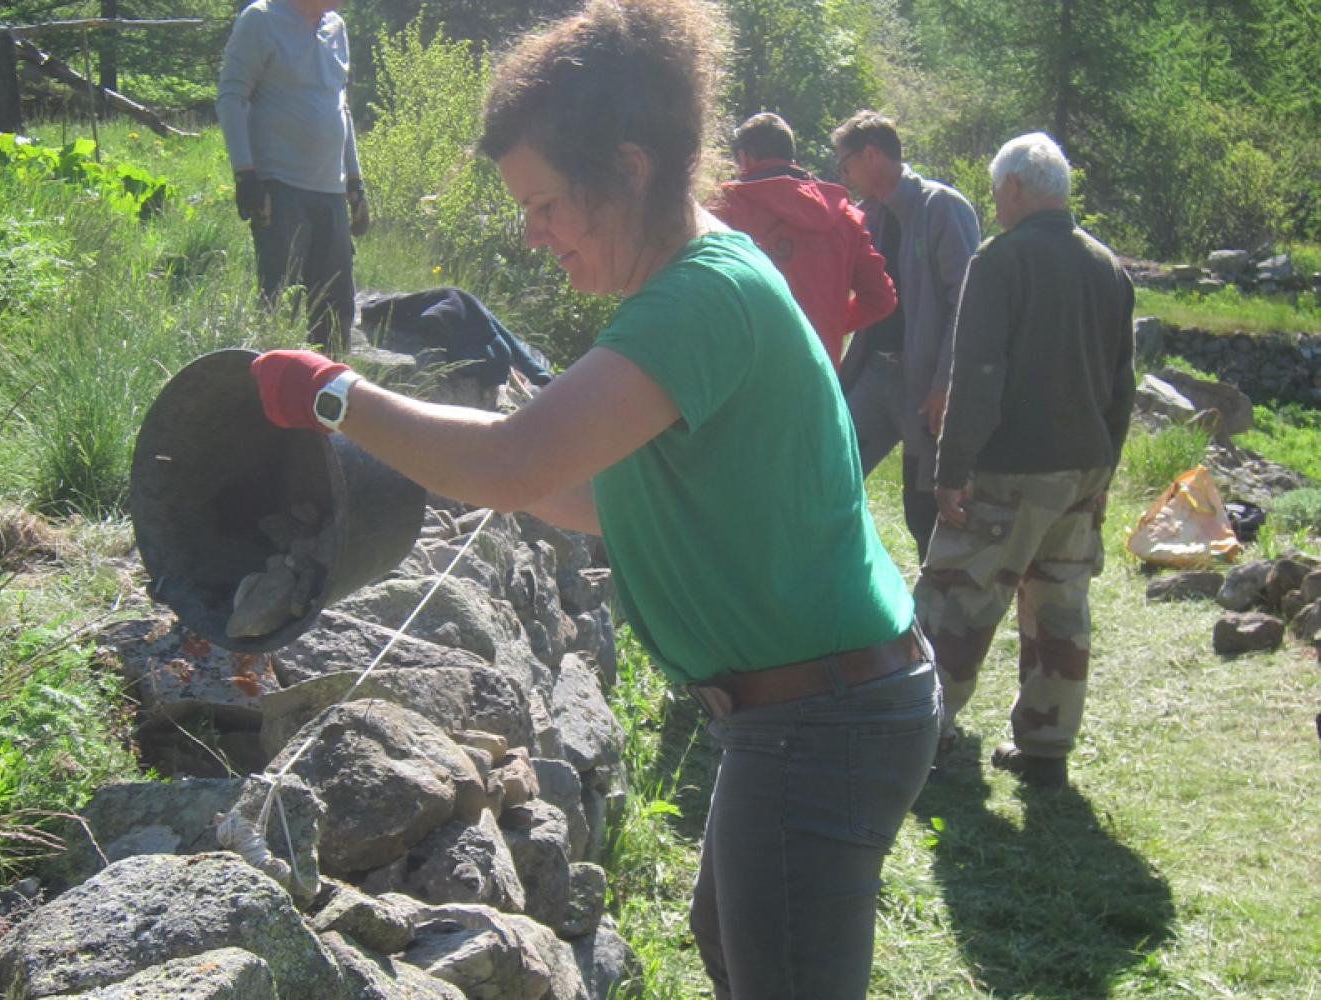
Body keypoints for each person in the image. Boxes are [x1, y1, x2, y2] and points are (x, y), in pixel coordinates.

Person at [246, 2, 940, 995]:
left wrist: (332, 393)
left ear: (628, 169)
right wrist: (440, 463)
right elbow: (593, 493)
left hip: (822, 720)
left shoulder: (701, 295)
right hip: (813, 707)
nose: (534, 237)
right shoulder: (700, 282)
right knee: (737, 936)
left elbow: (521, 458)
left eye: (546, 205)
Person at [915, 133, 1135, 789]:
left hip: (1009, 468)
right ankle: (1046, 745)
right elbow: (1123, 386)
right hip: (1083, 467)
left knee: (955, 600)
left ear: (1014, 188)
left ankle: (919, 737)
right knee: (1059, 606)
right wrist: (1106, 475)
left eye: (995, 192)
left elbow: (978, 377)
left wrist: (951, 471)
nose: (995, 203)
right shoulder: (1108, 268)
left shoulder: (1001, 261)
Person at [831, 110, 980, 563]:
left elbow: (968, 304)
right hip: (874, 375)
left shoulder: (942, 208)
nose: (845, 175)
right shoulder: (867, 217)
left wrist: (945, 383)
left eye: (846, 164)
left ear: (871, 155)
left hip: (925, 390)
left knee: (924, 512)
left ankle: (937, 615)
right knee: (829, 471)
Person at [216, 0, 369, 352]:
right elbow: (231, 95)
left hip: (330, 190)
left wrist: (355, 182)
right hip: (280, 189)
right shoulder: (261, 20)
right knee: (282, 303)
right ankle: (270, 395)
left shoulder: (336, 28)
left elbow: (340, 106)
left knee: (336, 307)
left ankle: (330, 396)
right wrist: (245, 174)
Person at [709, 112, 896, 367]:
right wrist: (829, 323)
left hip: (745, 381)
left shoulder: (725, 209)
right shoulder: (845, 215)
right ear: (791, 157)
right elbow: (880, 298)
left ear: (745, 158)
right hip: (819, 382)